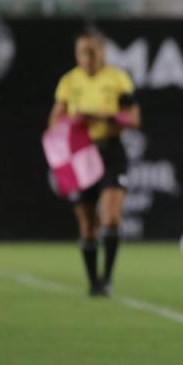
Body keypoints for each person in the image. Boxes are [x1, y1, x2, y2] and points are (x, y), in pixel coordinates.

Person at [49, 31, 139, 297]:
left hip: (110, 150)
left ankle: (108, 278)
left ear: (103, 52)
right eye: (81, 52)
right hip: (81, 155)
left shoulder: (117, 78)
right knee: (88, 223)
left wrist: (107, 117)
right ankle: (93, 283)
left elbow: (133, 119)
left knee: (111, 217)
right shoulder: (69, 81)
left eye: (92, 51)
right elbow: (54, 121)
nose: (86, 57)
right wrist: (72, 122)